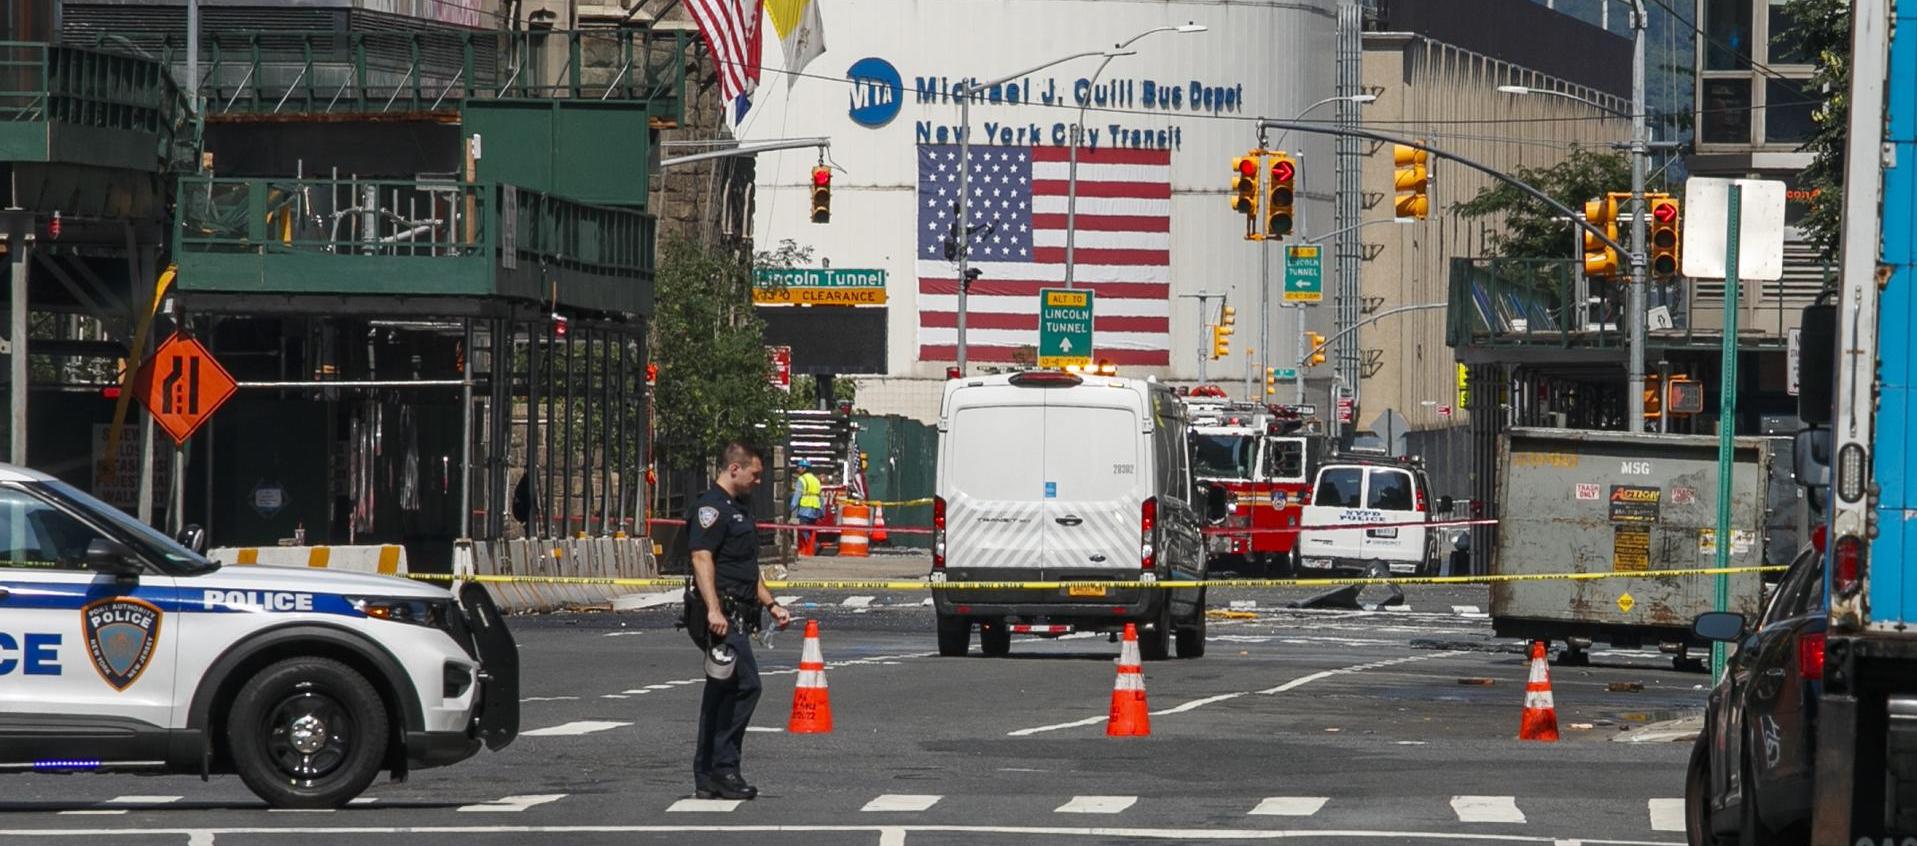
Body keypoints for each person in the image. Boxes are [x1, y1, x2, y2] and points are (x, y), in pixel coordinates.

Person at [687, 441, 791, 800]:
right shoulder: (711, 509)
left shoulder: (738, 508)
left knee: (721, 692)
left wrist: (772, 604)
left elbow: (747, 569)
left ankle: (707, 774)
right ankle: (724, 768)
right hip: (722, 616)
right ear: (735, 469)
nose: (758, 481)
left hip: (740, 612)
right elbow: (702, 559)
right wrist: (714, 609)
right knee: (747, 685)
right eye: (755, 474)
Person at [788, 458, 824, 556]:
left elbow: (797, 495)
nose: (797, 469)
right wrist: (822, 511)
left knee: (803, 529)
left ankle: (814, 545)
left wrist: (791, 507)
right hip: (815, 508)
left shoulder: (802, 479)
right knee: (811, 530)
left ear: (804, 468)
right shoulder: (816, 480)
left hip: (805, 508)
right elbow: (821, 497)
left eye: (799, 467)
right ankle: (810, 549)